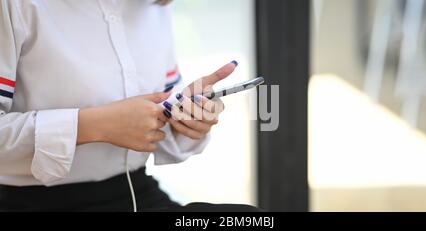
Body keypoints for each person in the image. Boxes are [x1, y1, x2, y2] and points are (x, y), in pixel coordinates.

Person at [0, 0, 260, 212]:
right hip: (27, 202)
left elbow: (158, 110)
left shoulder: (154, 7)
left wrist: (187, 119)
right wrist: (92, 125)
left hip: (137, 194)